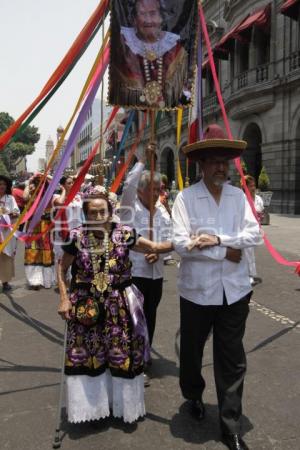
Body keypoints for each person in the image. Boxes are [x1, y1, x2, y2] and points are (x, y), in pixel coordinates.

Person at [172, 124, 262, 450]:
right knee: (193, 353)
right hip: (196, 293)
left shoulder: (239, 197)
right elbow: (181, 244)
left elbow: (255, 237)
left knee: (232, 358)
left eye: (225, 161)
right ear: (201, 164)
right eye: (214, 160)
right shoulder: (185, 198)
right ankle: (193, 394)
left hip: (235, 292)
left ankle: (230, 425)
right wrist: (228, 251)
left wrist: (217, 240)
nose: (221, 167)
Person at [57, 188, 171, 424]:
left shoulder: (124, 234)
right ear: (85, 215)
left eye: (103, 212)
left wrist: (182, 243)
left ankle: (122, 405)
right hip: (85, 306)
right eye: (93, 213)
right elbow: (62, 268)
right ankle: (91, 409)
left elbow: (154, 247)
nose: (99, 217)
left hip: (119, 304)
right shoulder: (76, 237)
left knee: (122, 351)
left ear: (111, 212)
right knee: (88, 353)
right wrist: (64, 298)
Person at [120, 144, 173, 370]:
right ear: (141, 191)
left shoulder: (162, 211)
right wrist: (142, 160)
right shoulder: (129, 208)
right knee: (132, 318)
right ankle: (131, 356)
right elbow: (128, 186)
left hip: (156, 275)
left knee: (150, 315)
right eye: (151, 189)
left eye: (158, 189)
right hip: (134, 273)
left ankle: (144, 352)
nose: (156, 193)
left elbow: (172, 239)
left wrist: (160, 252)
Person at [110, 0, 189, 108]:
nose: (148, 20)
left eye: (153, 13)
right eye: (142, 14)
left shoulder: (176, 50)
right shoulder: (123, 47)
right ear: (134, 20)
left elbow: (182, 87)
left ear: (162, 18)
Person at [23, 174, 55, 290]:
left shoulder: (49, 193)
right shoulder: (31, 191)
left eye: (42, 181)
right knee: (33, 251)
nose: (39, 183)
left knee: (46, 251)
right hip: (33, 226)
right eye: (37, 181)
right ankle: (34, 281)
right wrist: (29, 182)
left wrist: (46, 177)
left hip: (46, 226)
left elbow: (56, 183)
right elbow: (25, 197)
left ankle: (46, 280)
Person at [52, 175, 83, 264]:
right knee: (61, 258)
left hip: (77, 230)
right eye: (69, 183)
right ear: (62, 185)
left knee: (76, 257)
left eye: (72, 182)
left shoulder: (78, 197)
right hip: (63, 232)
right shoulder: (56, 196)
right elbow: (60, 203)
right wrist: (64, 191)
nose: (72, 184)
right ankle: (61, 276)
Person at [243, 175, 264, 286]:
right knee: (248, 252)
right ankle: (249, 275)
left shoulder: (259, 199)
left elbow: (261, 211)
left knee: (250, 253)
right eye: (250, 186)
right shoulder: (242, 199)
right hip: (245, 230)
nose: (253, 188)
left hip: (256, 230)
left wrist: (260, 217)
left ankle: (248, 274)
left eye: (253, 185)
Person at [0, 175, 20, 291]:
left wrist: (8, 215)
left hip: (6, 233)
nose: (1, 186)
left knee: (6, 257)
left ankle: (5, 282)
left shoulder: (10, 198)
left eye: (3, 184)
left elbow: (17, 212)